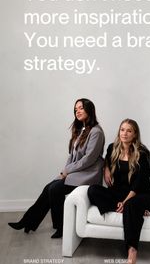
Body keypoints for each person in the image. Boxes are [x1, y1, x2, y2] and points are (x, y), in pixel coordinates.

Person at [8, 98, 105, 238]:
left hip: (88, 175)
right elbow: (71, 156)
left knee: (54, 189)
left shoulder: (96, 132)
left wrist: (67, 171)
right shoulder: (80, 130)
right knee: (49, 187)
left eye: (81, 108)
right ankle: (28, 222)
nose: (77, 111)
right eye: (75, 109)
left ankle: (60, 227)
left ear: (89, 110)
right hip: (76, 173)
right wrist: (64, 172)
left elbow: (88, 159)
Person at [88, 119, 150, 264]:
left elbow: (140, 182)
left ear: (135, 134)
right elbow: (105, 161)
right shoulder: (112, 148)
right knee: (93, 190)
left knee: (131, 204)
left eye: (129, 131)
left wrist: (125, 201)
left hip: (139, 194)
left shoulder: (142, 152)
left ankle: (132, 255)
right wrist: (106, 169)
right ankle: (130, 210)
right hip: (118, 195)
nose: (124, 133)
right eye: (122, 130)